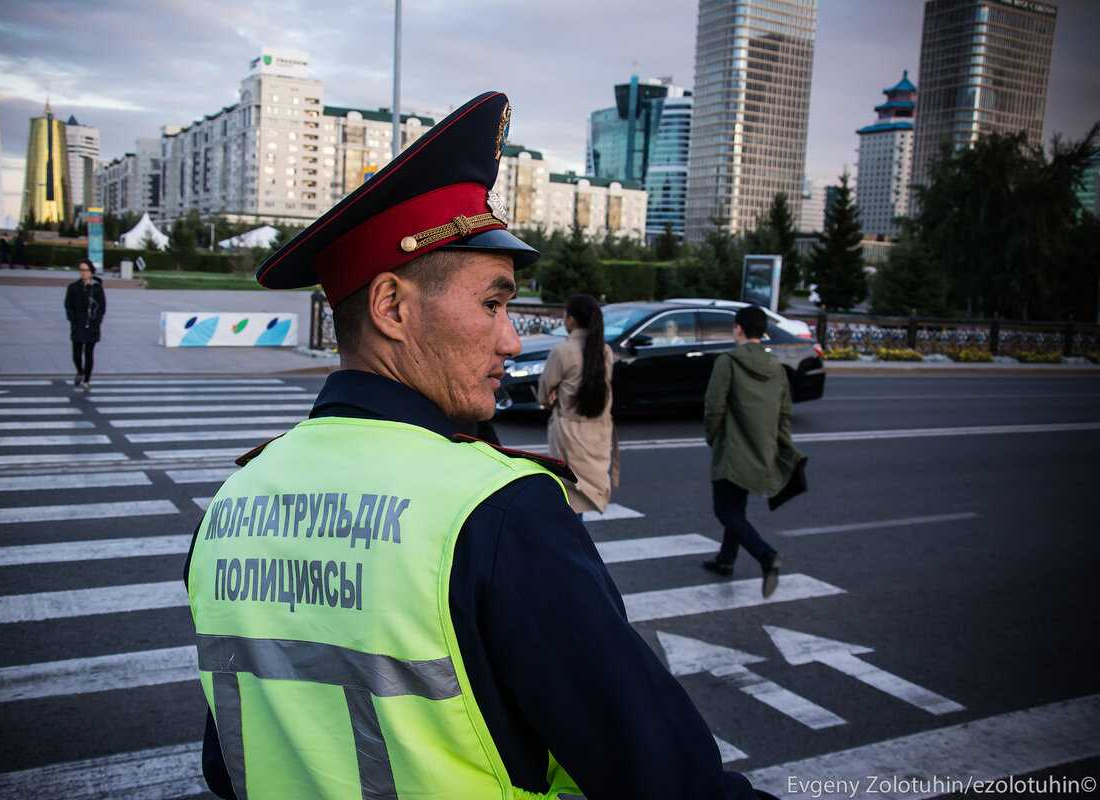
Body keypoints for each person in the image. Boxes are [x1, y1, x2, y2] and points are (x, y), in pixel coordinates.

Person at [183, 92, 769, 800]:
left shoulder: (232, 504)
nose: (512, 340)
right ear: (393, 307)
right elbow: (667, 782)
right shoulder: (496, 511)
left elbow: (228, 764)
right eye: (492, 304)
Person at [701, 304, 805, 598]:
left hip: (731, 449)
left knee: (724, 510)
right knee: (737, 508)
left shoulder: (728, 362)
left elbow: (714, 407)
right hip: (761, 449)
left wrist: (712, 437)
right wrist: (778, 447)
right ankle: (725, 560)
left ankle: (766, 556)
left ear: (739, 329)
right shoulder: (777, 368)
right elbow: (785, 413)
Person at [537, 293, 617, 516]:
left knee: (569, 495)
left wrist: (548, 401)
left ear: (570, 320)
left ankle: (570, 545)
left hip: (569, 432)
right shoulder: (605, 351)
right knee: (587, 492)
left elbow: (544, 392)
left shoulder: (562, 351)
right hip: (599, 430)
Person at [63, 259, 105, 390]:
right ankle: (80, 371)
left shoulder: (96, 288)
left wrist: (96, 322)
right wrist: (72, 320)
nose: (83, 273)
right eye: (81, 270)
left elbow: (102, 307)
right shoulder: (73, 287)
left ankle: (86, 380)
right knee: (76, 354)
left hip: (92, 326)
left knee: (88, 353)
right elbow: (68, 305)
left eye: (86, 270)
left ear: (91, 271)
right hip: (77, 325)